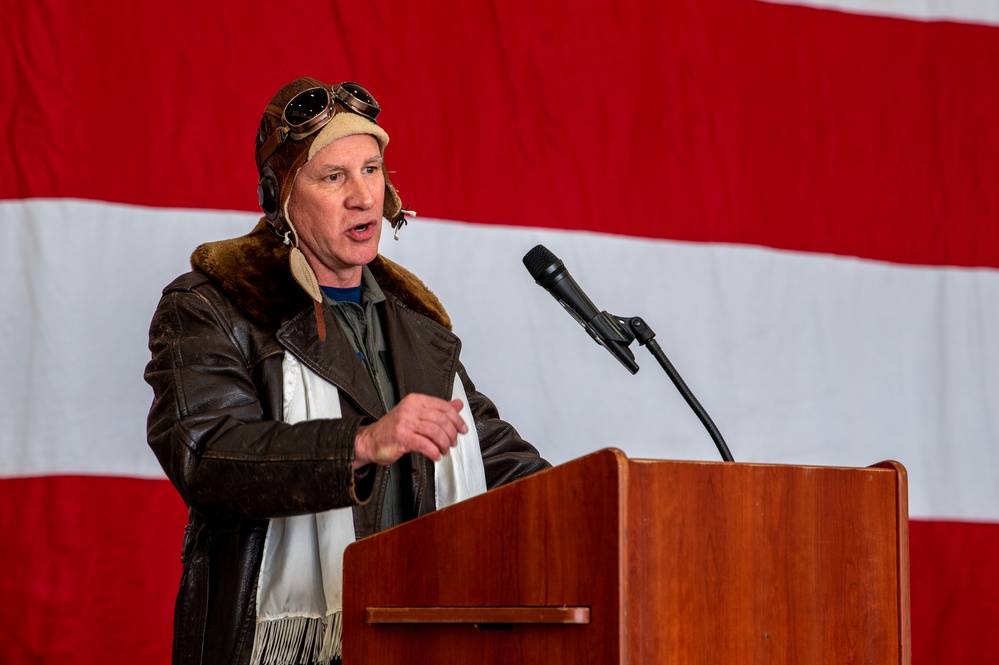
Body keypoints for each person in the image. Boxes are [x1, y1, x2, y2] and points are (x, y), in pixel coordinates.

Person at [144, 76, 550, 665]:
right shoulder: (212, 306)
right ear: (280, 195)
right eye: (333, 177)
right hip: (277, 647)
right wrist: (361, 444)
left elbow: (494, 458)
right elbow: (206, 457)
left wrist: (609, 507)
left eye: (371, 169)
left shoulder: (418, 323)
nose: (363, 196)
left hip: (419, 638)